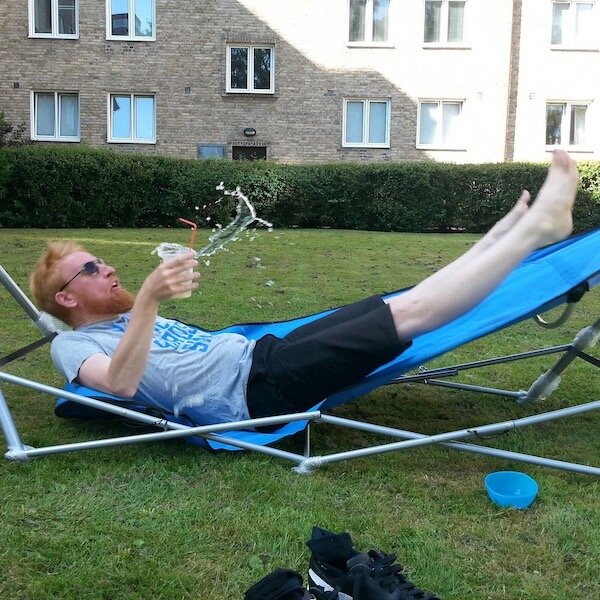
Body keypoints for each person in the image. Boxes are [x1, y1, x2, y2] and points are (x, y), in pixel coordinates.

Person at [30, 150, 579, 427]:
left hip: (262, 355)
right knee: (410, 314)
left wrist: (146, 305)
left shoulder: (124, 320)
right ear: (67, 299)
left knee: (396, 304)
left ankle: (505, 237)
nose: (107, 268)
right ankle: (535, 231)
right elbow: (120, 384)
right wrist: (150, 298)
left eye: (101, 260)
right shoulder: (73, 346)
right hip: (254, 393)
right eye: (91, 268)